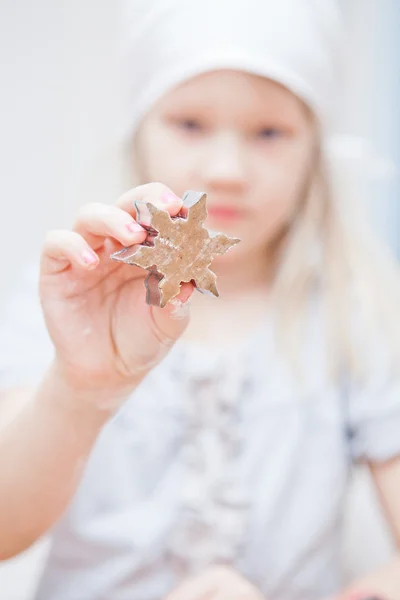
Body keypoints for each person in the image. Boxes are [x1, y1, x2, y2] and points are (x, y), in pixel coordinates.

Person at [1, 0, 400, 599]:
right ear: (139, 128)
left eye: (270, 132)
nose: (227, 168)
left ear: (313, 149)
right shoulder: (60, 301)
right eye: (190, 123)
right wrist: (79, 390)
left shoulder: (359, 316)